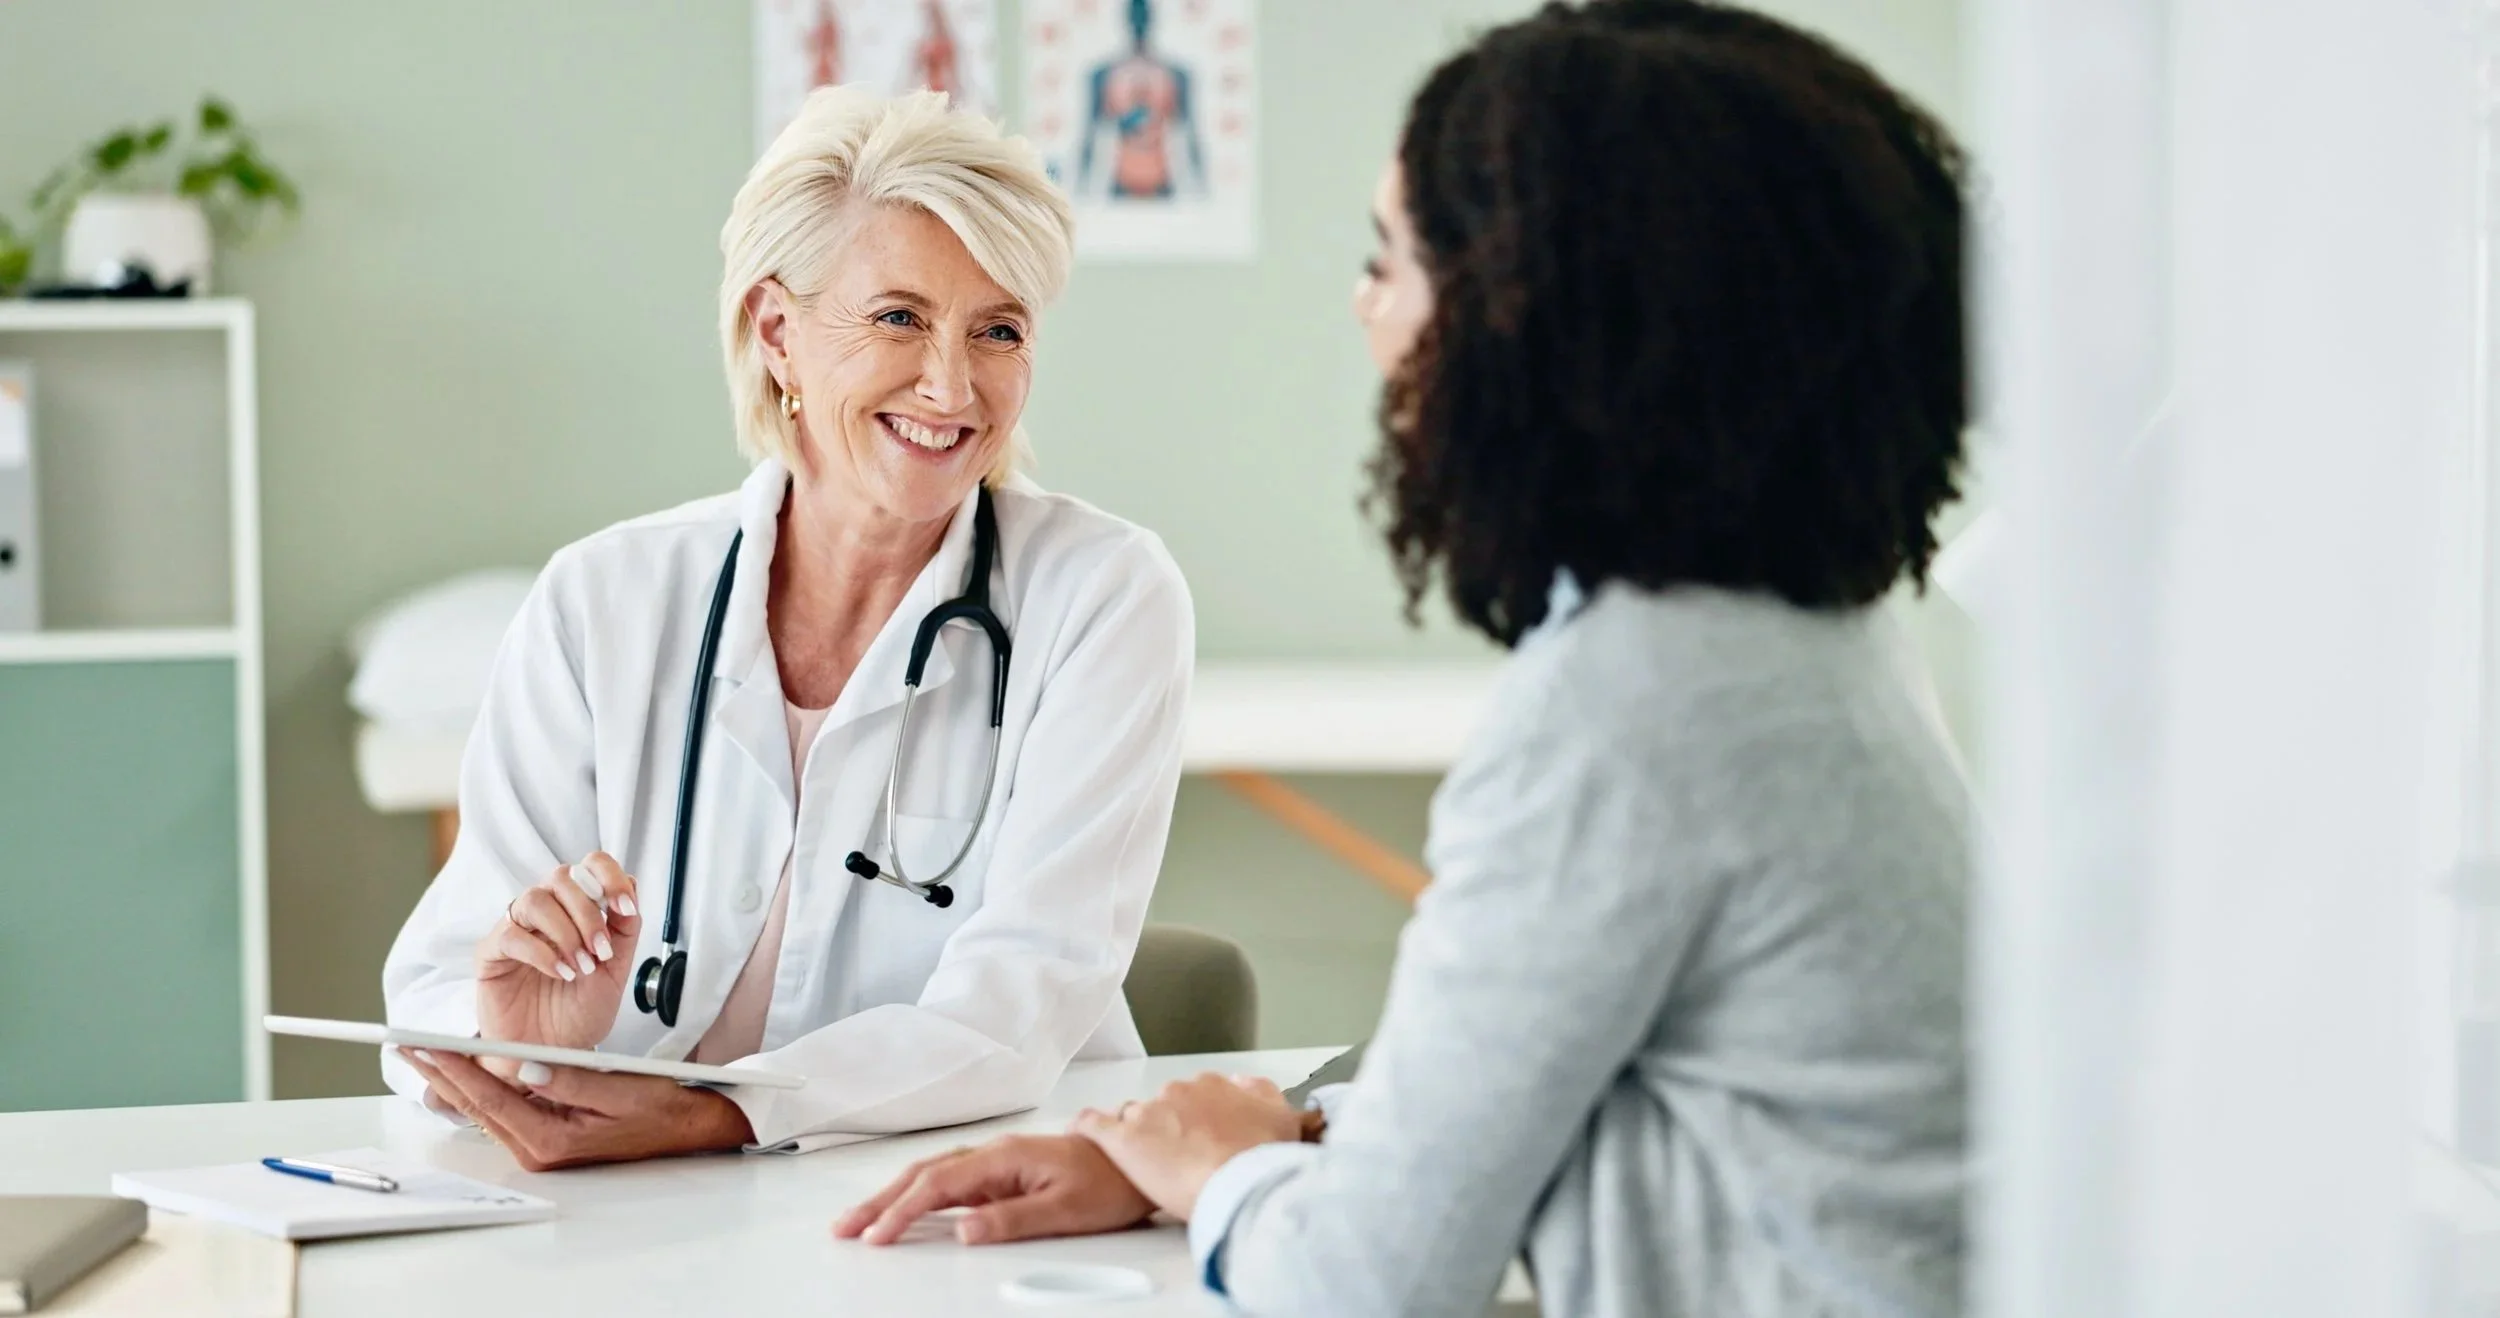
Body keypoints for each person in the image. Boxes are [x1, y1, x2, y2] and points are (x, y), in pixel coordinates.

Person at [837, 2, 1972, 1314]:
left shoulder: (1630, 712)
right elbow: (1530, 1075)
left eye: (1391, 263)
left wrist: (1232, 1179)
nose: (1365, 313)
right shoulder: (1808, 635)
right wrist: (1233, 1154)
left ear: (1528, 327)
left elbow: (1365, 1286)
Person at [379, 86, 1194, 1167]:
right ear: (776, 331)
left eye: (997, 330)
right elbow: (435, 992)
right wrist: (520, 1041)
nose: (951, 385)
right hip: (632, 1218)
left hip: (962, 1198)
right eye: (898, 317)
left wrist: (724, 1113)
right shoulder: (603, 601)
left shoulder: (1102, 597)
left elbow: (1021, 998)